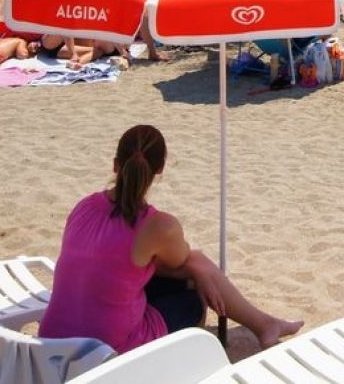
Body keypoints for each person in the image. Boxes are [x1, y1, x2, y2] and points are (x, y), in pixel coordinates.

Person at [40, 125, 302, 353]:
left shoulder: (84, 206)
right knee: (193, 291)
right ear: (160, 169)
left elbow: (118, 262)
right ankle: (264, 326)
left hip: (51, 340)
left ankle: (266, 325)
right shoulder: (158, 225)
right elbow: (182, 261)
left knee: (192, 268)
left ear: (115, 164)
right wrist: (198, 273)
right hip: (106, 350)